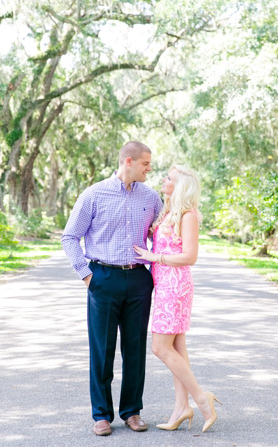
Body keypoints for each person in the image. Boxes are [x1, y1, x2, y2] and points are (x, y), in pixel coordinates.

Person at [61, 141, 163, 436]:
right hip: (102, 278)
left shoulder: (152, 198)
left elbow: (163, 236)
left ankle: (132, 411)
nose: (149, 169)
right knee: (102, 350)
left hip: (139, 280)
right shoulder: (93, 195)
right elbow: (70, 237)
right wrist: (86, 275)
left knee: (135, 350)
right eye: (145, 163)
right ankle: (102, 415)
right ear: (128, 161)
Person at [134, 165, 222, 432]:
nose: (164, 179)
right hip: (164, 285)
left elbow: (190, 256)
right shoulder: (170, 212)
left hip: (175, 286)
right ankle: (181, 408)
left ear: (180, 185)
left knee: (160, 348)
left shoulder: (187, 215)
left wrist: (154, 257)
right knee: (178, 349)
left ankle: (201, 400)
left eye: (169, 178)